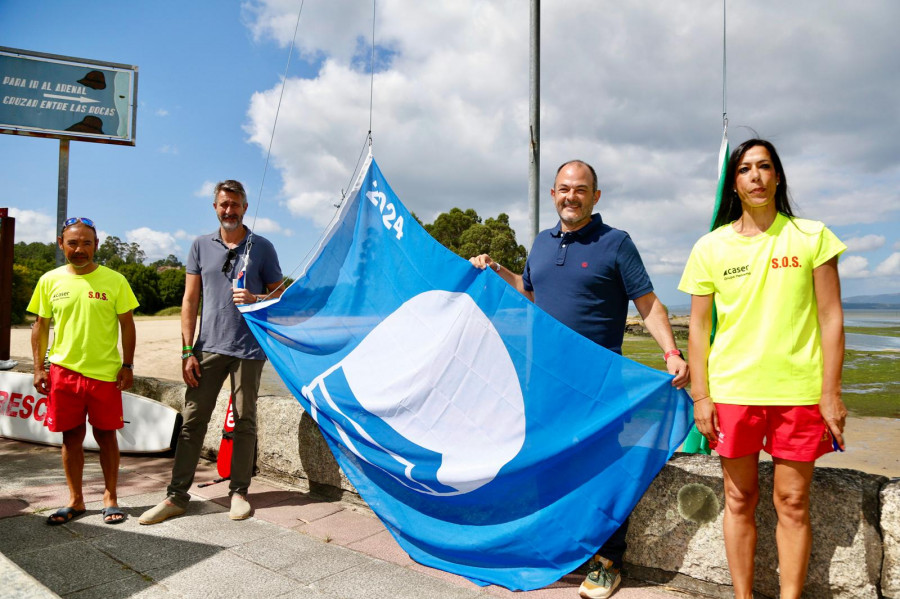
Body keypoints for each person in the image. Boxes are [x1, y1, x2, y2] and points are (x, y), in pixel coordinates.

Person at [470, 160, 689, 599]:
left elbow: (647, 305)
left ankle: (608, 562)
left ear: (596, 196)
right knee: (545, 466)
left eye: (581, 189)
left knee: (605, 470)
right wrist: (496, 271)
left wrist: (671, 352)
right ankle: (553, 548)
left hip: (601, 385)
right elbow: (531, 294)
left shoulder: (616, 244)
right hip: (546, 381)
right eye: (564, 189)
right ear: (553, 194)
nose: (572, 196)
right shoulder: (540, 244)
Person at [678, 139, 847, 599]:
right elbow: (697, 329)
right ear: (734, 182)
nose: (756, 176)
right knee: (739, 499)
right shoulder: (710, 247)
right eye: (746, 169)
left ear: (778, 177)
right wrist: (702, 396)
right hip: (733, 393)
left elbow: (831, 317)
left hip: (799, 393)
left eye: (765, 167)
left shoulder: (813, 237)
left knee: (792, 501)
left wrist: (830, 392)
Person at [140, 179, 284, 524]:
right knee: (192, 422)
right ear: (215, 207)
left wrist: (256, 298)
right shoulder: (200, 245)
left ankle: (239, 492)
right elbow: (190, 300)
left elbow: (280, 296)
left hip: (249, 349)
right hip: (206, 348)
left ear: (245, 207)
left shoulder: (262, 247)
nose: (229, 210)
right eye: (223, 205)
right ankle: (176, 497)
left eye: (235, 205)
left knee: (245, 422)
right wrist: (187, 350)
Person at [28, 217, 138, 525]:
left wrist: (127, 365)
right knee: (71, 437)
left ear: (96, 245)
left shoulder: (115, 280)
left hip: (105, 374)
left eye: (87, 243)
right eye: (73, 243)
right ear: (61, 244)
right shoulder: (49, 280)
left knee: (107, 436)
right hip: (63, 373)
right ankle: (76, 501)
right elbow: (40, 327)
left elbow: (127, 325)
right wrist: (39, 368)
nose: (80, 249)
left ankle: (110, 497)